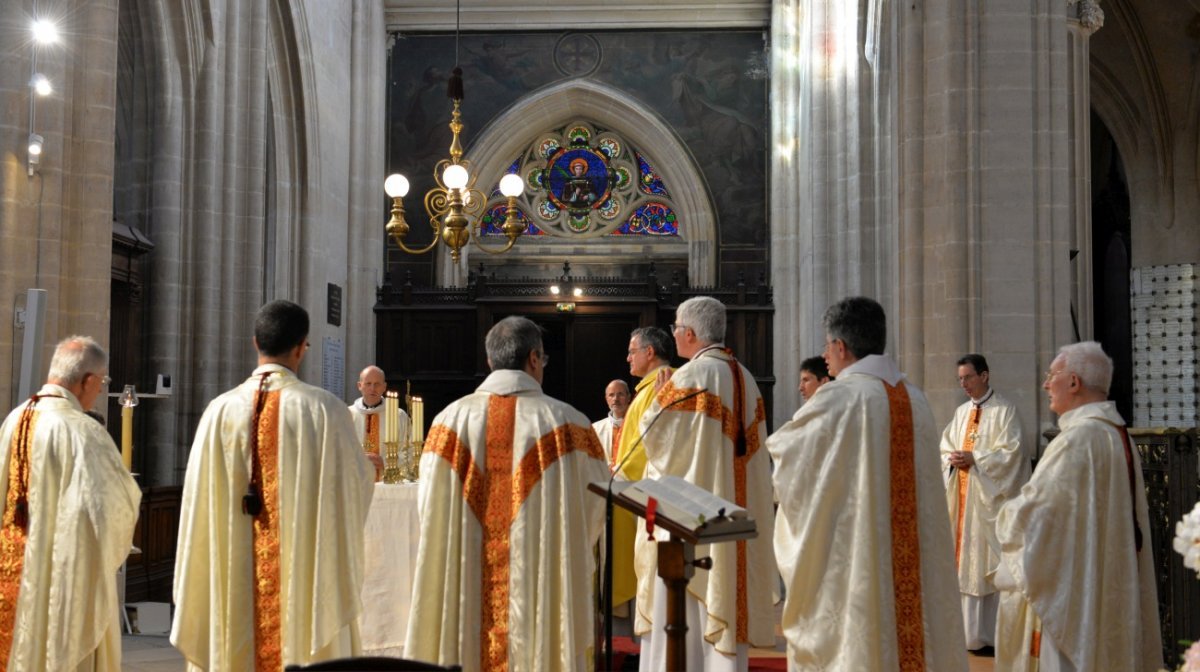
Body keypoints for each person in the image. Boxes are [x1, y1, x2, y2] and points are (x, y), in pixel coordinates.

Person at [171, 300, 377, 670]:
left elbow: (196, 505)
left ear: (255, 343)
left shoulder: (219, 410)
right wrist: (367, 471)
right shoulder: (324, 410)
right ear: (302, 347)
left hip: (234, 573)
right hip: (301, 577)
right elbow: (352, 489)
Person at [767, 296, 967, 670]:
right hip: (912, 561)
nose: (825, 355)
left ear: (841, 346)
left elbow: (789, 461)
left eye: (827, 346)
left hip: (861, 557)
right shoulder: (916, 399)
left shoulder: (838, 398)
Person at [405, 316, 608, 672]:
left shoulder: (446, 422)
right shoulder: (570, 424)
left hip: (465, 586)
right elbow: (592, 511)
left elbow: (430, 508)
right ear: (534, 358)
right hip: (540, 588)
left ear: (490, 361)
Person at [994, 342, 1162, 671]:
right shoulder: (1118, 436)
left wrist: (1004, 516)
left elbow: (1035, 517)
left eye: (1051, 375)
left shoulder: (1076, 441)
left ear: (1074, 382)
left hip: (1070, 599)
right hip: (1097, 584)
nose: (1045, 385)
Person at [635, 297, 776, 672]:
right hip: (733, 522)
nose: (674, 335)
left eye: (676, 328)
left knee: (685, 612)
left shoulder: (688, 379)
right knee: (726, 598)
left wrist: (660, 398)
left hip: (687, 526)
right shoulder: (744, 377)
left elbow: (655, 443)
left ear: (691, 333)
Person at [0, 336, 141, 671]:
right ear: (87, 381)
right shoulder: (83, 431)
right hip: (61, 583)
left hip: (9, 571)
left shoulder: (14, 420)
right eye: (103, 382)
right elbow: (113, 510)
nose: (99, 391)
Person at [939, 353, 1029, 652]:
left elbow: (1013, 456)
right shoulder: (962, 412)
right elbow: (945, 445)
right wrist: (952, 460)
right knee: (962, 564)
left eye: (968, 377)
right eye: (960, 379)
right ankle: (964, 634)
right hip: (962, 502)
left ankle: (990, 636)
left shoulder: (1006, 411)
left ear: (985, 375)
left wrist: (976, 460)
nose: (963, 383)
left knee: (986, 566)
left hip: (988, 504)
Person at [612, 326, 674, 623]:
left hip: (647, 493)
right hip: (644, 490)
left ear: (650, 353)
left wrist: (618, 475)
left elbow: (648, 444)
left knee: (649, 571)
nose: (628, 358)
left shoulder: (659, 386)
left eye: (632, 351)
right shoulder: (650, 387)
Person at [349, 364, 407, 465]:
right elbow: (339, 450)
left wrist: (384, 462)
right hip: (356, 477)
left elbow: (409, 451)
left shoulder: (399, 416)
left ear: (384, 387)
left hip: (388, 478)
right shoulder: (347, 414)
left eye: (377, 384)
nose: (372, 388)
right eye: (368, 383)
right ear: (359, 386)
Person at [592, 379, 631, 468]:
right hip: (605, 478)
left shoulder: (639, 425)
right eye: (611, 395)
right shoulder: (595, 429)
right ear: (606, 399)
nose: (615, 399)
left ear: (629, 397)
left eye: (620, 394)